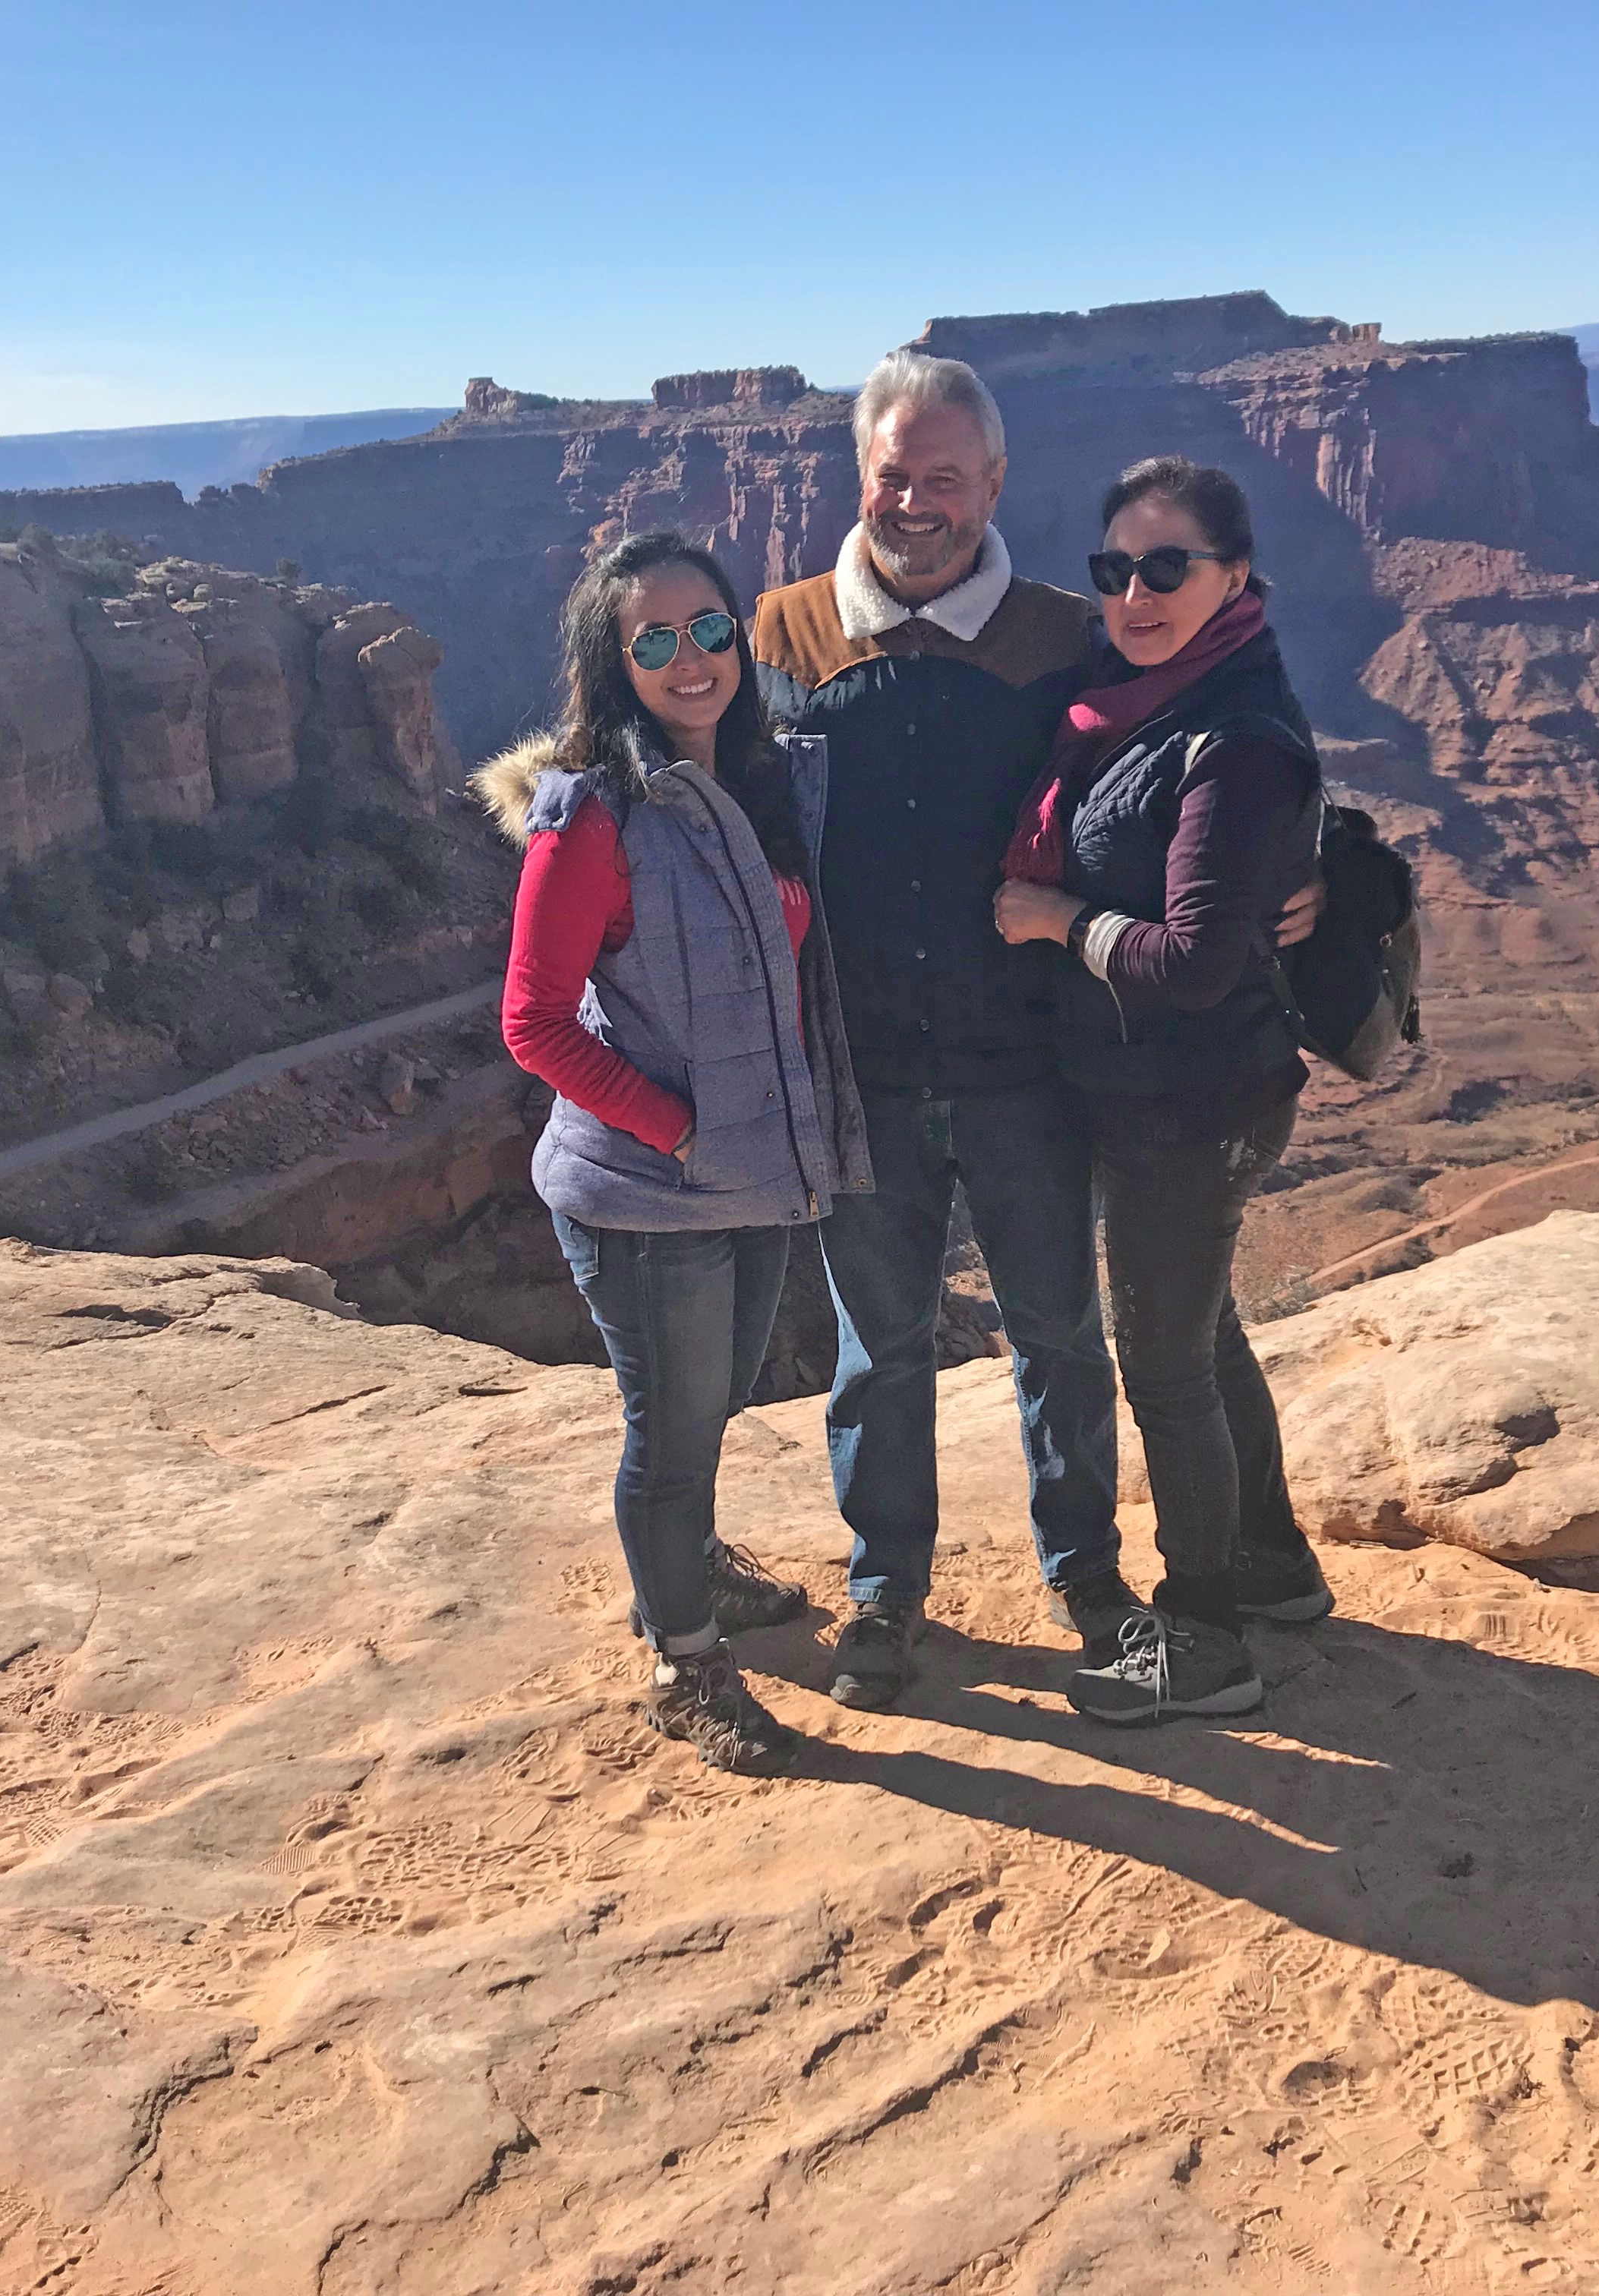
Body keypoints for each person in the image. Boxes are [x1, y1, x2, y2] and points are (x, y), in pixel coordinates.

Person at [751, 351, 1137, 1709]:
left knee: (1056, 1333)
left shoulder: (1058, 638)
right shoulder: (782, 632)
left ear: (996, 481)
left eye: (947, 477)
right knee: (881, 1345)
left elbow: (1152, 800)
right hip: (856, 1067)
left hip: (1024, 1063)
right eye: (893, 474)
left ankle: (1089, 1579)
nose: (918, 502)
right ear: (861, 473)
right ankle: (884, 1593)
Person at [478, 531, 872, 1775]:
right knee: (669, 1427)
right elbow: (531, 1022)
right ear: (616, 661)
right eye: (655, 640)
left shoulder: (761, 782)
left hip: (753, 1174)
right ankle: (684, 1666)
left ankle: (689, 1575)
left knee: (713, 1406)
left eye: (709, 628)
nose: (690, 659)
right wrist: (683, 1130)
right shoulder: (590, 815)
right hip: (648, 1192)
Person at [995, 456, 1336, 1726]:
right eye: (1115, 569)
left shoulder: (1228, 733)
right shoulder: (1141, 696)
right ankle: (1275, 1567)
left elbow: (1190, 963)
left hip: (1187, 1102)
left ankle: (1203, 1639)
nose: (1133, 592)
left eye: (1166, 567)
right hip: (1182, 1094)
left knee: (1165, 1367)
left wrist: (1055, 920)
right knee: (1207, 1332)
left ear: (1232, 576)